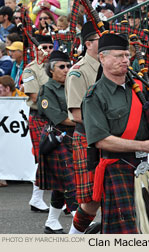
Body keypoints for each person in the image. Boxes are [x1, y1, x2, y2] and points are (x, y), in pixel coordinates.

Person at [81, 33, 149, 234]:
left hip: (142, 168)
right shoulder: (94, 96)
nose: (124, 60)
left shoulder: (140, 88)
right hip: (116, 169)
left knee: (147, 228)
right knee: (125, 233)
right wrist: (143, 146)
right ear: (102, 58)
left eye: (126, 55)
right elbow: (100, 140)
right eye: (118, 56)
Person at [65, 21, 104, 234]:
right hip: (88, 138)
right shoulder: (77, 72)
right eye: (99, 39)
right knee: (91, 200)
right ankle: (75, 237)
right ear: (88, 44)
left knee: (113, 195)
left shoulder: (110, 68)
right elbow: (77, 114)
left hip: (110, 139)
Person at [36, 50, 77, 234]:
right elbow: (59, 117)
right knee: (71, 180)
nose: (67, 69)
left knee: (61, 185)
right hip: (57, 138)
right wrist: (86, 120)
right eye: (62, 67)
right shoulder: (47, 89)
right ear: (51, 70)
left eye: (68, 66)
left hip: (73, 137)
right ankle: (80, 220)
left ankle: (52, 221)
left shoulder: (72, 85)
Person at [22, 35, 54, 213]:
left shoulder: (57, 67)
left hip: (56, 117)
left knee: (60, 157)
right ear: (36, 48)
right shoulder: (30, 70)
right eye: (44, 47)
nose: (47, 50)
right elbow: (35, 97)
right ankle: (36, 197)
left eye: (50, 47)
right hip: (40, 116)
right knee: (44, 157)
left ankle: (64, 200)